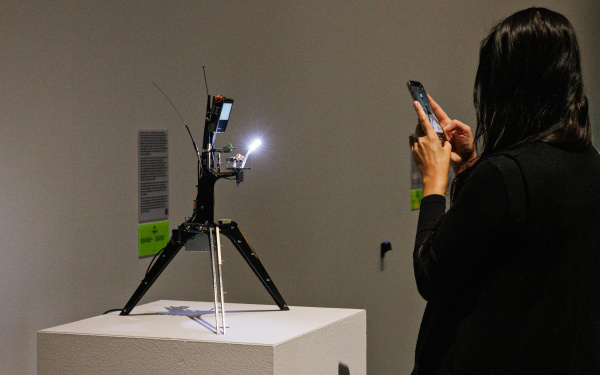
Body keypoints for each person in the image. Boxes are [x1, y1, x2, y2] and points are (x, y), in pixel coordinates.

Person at [408, 7, 599, 375]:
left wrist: (434, 183)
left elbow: (431, 275)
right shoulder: (590, 163)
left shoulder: (504, 175)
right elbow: (512, 239)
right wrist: (468, 165)